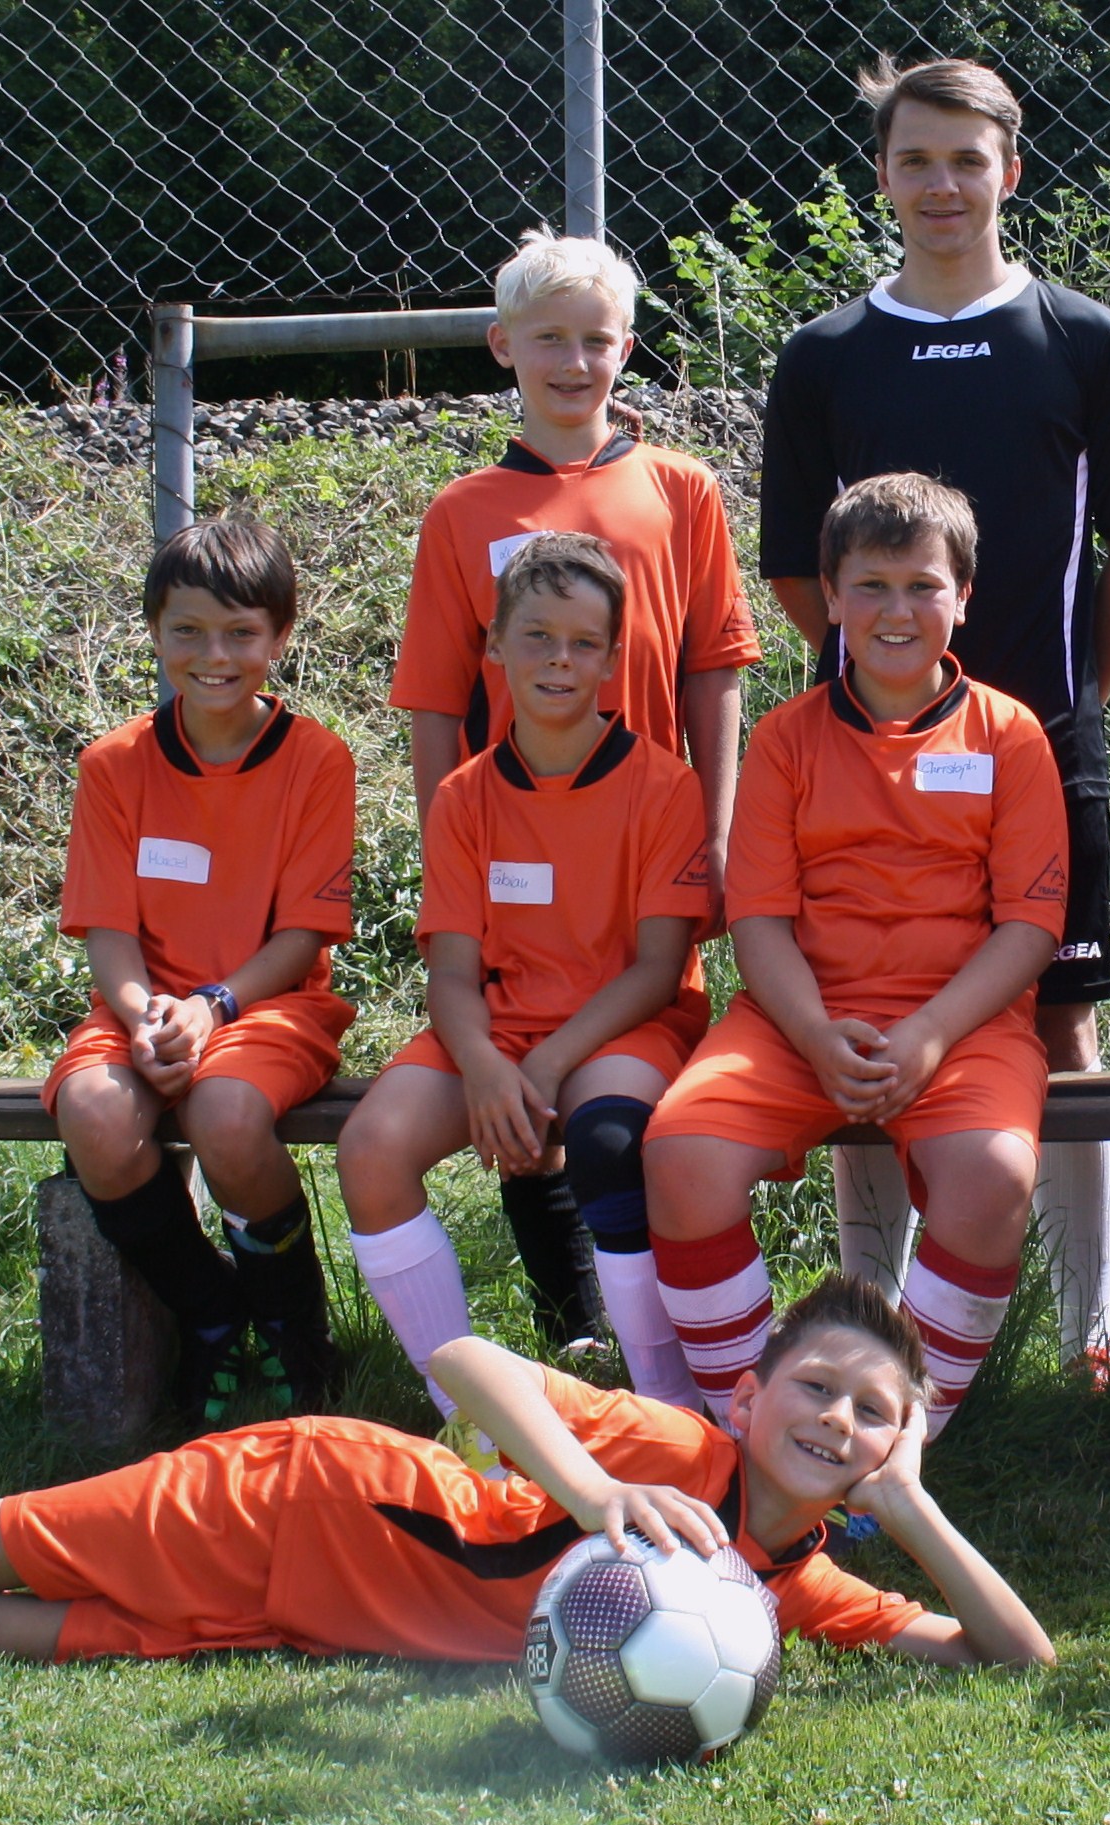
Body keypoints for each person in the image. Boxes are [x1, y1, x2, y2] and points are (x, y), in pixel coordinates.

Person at [0, 1277, 1056, 1674]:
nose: (837, 1419)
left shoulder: (785, 1587)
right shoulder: (675, 1455)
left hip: (308, 1611)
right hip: (302, 1493)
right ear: (746, 1395)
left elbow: (1013, 1655)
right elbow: (470, 1360)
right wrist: (589, 1490)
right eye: (815, 1387)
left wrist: (912, 1507)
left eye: (874, 1413)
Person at [756, 56, 1110, 1386]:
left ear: (1009, 169)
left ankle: (1086, 1335)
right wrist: (882, 678)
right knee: (864, 1022)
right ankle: (872, 1329)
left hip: (1043, 744)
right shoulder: (824, 355)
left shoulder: (1081, 339)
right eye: (914, 160)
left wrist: (1072, 690)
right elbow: (794, 568)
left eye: (965, 159)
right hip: (866, 757)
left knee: (1059, 1029)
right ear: (882, 176)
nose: (940, 185)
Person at [392, 229, 760, 1350]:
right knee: (521, 1050)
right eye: (547, 338)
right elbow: (434, 701)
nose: (573, 361)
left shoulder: (680, 489)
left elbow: (713, 671)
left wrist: (717, 834)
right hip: (510, 848)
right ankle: (574, 1325)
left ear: (627, 350)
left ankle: (663, 1322)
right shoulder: (462, 511)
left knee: (618, 1084)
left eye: (595, 340)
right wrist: (445, 842)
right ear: (502, 346)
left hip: (642, 845)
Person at [644, 474, 1066, 1436]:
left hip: (960, 1023)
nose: (895, 610)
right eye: (870, 586)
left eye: (922, 586)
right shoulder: (785, 739)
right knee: (680, 1153)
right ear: (830, 597)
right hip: (798, 1018)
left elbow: (1029, 925)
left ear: (963, 596)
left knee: (992, 1176)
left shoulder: (1009, 734)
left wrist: (929, 1033)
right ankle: (755, 1428)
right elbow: (759, 919)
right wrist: (813, 1031)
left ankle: (891, 1434)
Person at [338, 534, 714, 1422]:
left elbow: (658, 968)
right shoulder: (464, 795)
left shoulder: (663, 786)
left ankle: (664, 1405)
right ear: (495, 645)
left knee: (607, 1139)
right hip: (496, 1027)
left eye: (584, 642)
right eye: (537, 636)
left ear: (614, 659)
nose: (559, 659)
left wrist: (539, 1067)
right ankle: (470, 1409)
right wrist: (484, 1067)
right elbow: (451, 972)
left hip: (624, 1023)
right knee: (370, 1150)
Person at [45, 517, 355, 1421]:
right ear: (153, 631)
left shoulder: (316, 758)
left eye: (240, 633)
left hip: (266, 1004)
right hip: (141, 1006)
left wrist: (212, 1005)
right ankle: (209, 1309)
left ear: (279, 637)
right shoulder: (114, 765)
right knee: (95, 1114)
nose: (213, 655)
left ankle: (293, 1323)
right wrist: (144, 1014)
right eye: (187, 630)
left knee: (225, 1112)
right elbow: (107, 928)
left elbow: (303, 935)